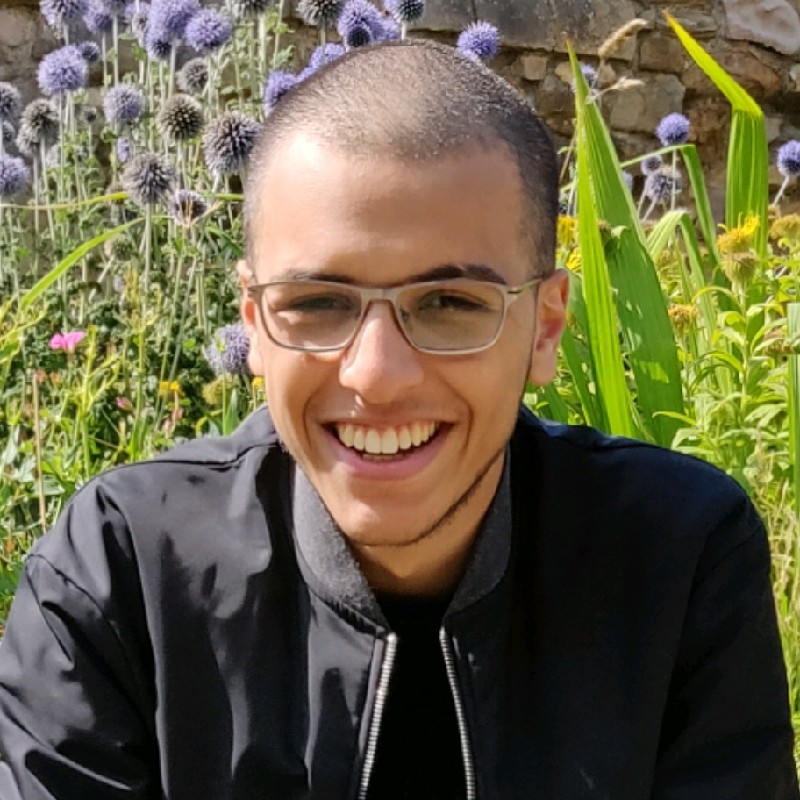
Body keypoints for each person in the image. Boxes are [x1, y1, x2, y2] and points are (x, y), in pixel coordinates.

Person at [0, 38, 797, 800]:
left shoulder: (676, 559)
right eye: (317, 303)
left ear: (547, 327)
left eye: (450, 303)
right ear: (253, 323)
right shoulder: (124, 570)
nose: (376, 375)